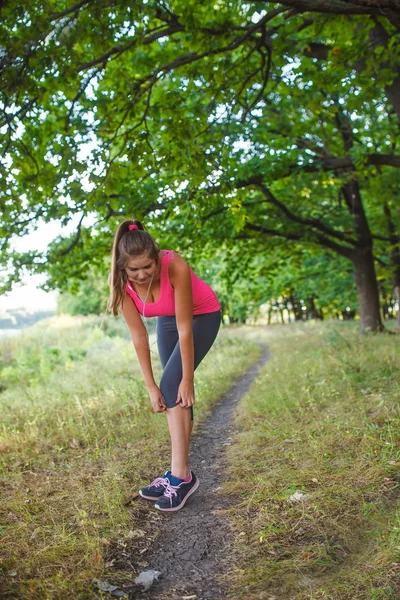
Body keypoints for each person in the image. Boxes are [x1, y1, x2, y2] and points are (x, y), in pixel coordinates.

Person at [108, 219, 221, 512]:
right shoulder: (121, 286)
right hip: (167, 320)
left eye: (148, 266)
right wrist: (150, 387)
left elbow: (186, 329)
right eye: (134, 270)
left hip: (202, 315)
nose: (142, 274)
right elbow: (138, 336)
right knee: (168, 391)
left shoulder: (175, 265)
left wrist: (188, 379)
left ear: (157, 259)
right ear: (123, 267)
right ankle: (176, 472)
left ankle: (182, 476)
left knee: (175, 385)